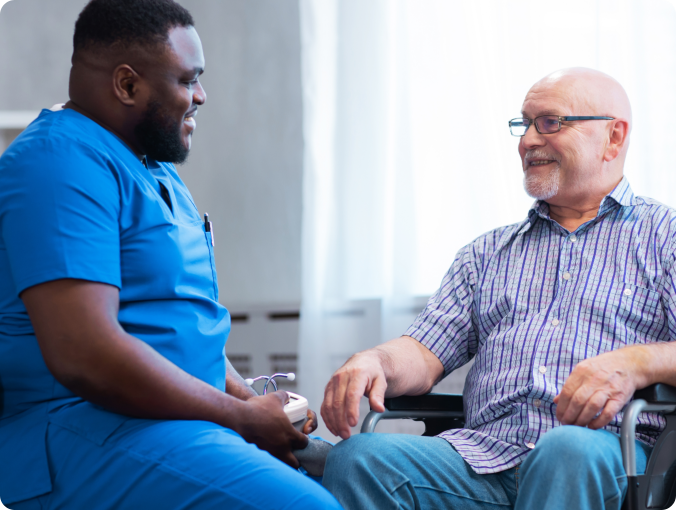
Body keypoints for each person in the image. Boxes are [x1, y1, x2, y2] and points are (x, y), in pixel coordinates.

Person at [0, 1, 341, 508]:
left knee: (352, 480)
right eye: (188, 80)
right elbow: (84, 356)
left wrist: (250, 401)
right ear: (128, 85)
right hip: (75, 429)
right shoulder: (59, 164)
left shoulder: (154, 169)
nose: (201, 96)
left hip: (163, 425)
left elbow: (182, 325)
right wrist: (240, 418)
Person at [320, 67, 676, 510]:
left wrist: (639, 361)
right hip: (481, 456)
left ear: (614, 138)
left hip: (603, 453)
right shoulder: (485, 253)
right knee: (359, 458)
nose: (527, 140)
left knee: (566, 451)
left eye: (549, 122)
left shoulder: (666, 238)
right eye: (524, 124)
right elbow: (424, 352)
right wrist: (375, 359)